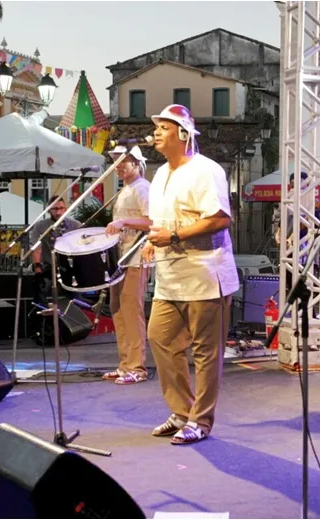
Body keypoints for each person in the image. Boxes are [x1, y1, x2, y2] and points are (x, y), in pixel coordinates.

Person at [143, 104, 239, 445]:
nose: (155, 132)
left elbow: (219, 219)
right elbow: (162, 221)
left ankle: (201, 420)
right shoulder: (158, 174)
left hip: (205, 274)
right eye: (156, 127)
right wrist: (154, 241)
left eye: (164, 127)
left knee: (205, 351)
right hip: (170, 276)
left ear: (183, 134)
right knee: (160, 337)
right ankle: (181, 410)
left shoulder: (206, 170)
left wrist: (172, 236)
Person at [102, 145, 152, 385]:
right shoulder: (126, 189)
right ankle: (126, 364)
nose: (118, 165)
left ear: (137, 163)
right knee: (118, 310)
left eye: (123, 161)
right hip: (121, 258)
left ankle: (137, 367)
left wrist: (123, 222)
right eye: (115, 161)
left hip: (136, 257)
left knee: (131, 311)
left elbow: (153, 220)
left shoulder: (142, 188)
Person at [30, 197, 82, 298]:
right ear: (49, 210)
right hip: (49, 267)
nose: (58, 212)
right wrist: (37, 270)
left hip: (71, 268)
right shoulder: (40, 226)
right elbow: (36, 249)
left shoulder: (75, 225)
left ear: (65, 209)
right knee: (42, 294)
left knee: (75, 299)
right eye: (55, 209)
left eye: (61, 208)